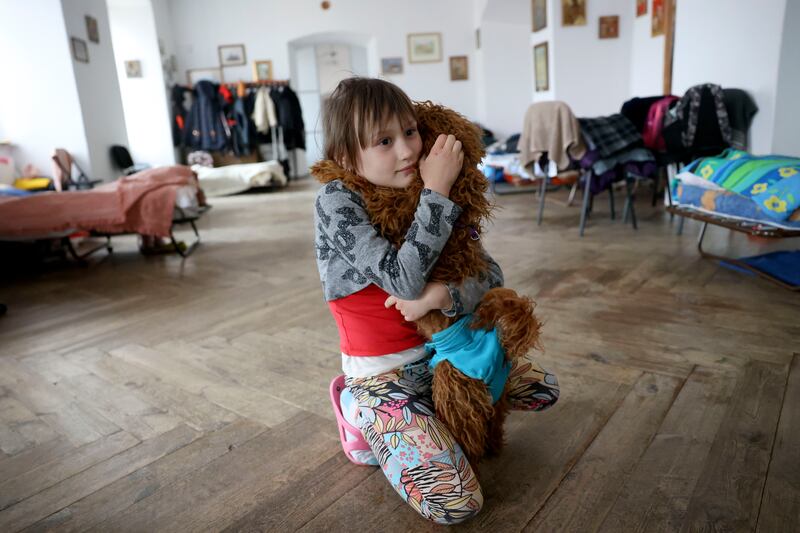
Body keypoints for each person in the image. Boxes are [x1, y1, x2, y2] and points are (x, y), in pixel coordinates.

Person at [313, 77, 559, 524]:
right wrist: (436, 192)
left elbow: (491, 273)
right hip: (385, 377)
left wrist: (446, 294)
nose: (407, 151)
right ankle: (356, 409)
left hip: (445, 358)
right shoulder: (337, 200)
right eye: (384, 141)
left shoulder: (415, 193)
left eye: (410, 132)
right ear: (348, 157)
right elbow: (402, 281)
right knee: (457, 503)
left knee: (544, 389)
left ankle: (430, 419)